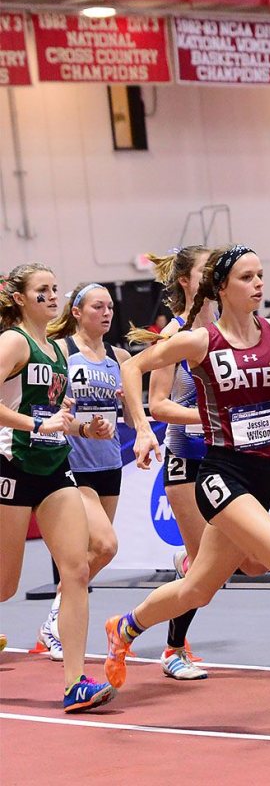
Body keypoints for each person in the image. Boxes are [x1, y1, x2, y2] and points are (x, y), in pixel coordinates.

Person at [106, 245, 270, 717]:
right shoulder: (200, 340)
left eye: (262, 275)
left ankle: (125, 626)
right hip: (219, 476)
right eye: (248, 277)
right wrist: (144, 429)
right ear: (222, 288)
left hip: (263, 477)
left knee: (197, 590)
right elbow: (131, 367)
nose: (259, 284)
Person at [0, 263, 116, 713]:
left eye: (55, 288)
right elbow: (30, 416)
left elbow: (55, 419)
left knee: (77, 571)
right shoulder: (14, 341)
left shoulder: (55, 352)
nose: (52, 295)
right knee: (6, 586)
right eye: (42, 290)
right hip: (12, 466)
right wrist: (35, 423)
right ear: (19, 298)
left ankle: (74, 682)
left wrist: (85, 430)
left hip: (53, 468)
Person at [35, 283, 134, 661]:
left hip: (109, 463)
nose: (106, 312)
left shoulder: (120, 357)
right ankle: (57, 622)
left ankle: (54, 624)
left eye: (110, 306)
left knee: (91, 553)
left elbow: (128, 416)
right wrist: (74, 420)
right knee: (105, 546)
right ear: (77, 311)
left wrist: (129, 413)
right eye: (98, 306)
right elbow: (46, 406)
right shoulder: (61, 351)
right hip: (72, 464)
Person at [128, 246, 213, 680]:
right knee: (204, 575)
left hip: (226, 458)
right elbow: (158, 404)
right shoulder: (175, 334)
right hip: (186, 458)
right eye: (206, 270)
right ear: (185, 280)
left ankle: (187, 565)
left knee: (249, 564)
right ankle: (172, 650)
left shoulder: (229, 331)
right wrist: (206, 417)